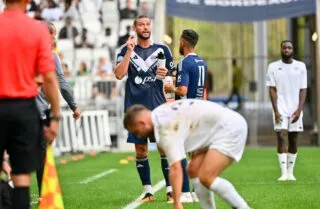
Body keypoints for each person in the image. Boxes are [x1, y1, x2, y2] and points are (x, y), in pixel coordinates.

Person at [114, 15, 192, 203]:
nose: (145, 27)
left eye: (148, 24)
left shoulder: (162, 49)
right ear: (135, 28)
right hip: (135, 108)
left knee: (164, 148)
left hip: (158, 107)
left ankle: (170, 189)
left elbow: (172, 77)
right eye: (141, 24)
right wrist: (128, 53)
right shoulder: (125, 50)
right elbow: (118, 74)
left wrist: (168, 75)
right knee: (141, 150)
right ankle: (148, 191)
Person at [124, 99, 251, 209]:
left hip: (229, 128)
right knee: (193, 169)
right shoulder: (158, 112)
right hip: (219, 127)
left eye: (136, 132)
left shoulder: (165, 128)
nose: (138, 136)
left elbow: (175, 168)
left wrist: (177, 204)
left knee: (206, 176)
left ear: (142, 123)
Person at [0, 0, 61, 208]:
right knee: (21, 176)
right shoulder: (37, 30)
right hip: (24, 108)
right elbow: (50, 78)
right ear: (27, 1)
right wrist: (56, 117)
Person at [35, 21, 81, 195]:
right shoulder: (50, 55)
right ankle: (43, 195)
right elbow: (60, 82)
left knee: (16, 158)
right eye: (52, 35)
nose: (54, 39)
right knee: (42, 157)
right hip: (38, 113)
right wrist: (74, 106)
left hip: (14, 109)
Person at [266, 40, 307, 181]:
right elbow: (271, 89)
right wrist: (276, 110)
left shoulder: (301, 66)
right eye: (284, 47)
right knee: (281, 136)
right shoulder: (273, 67)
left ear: (293, 49)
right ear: (281, 49)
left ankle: (290, 172)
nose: (287, 50)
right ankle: (283, 173)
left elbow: (303, 89)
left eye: (289, 47)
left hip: (295, 108)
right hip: (280, 107)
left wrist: (299, 109)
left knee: (293, 139)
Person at [165, 29, 207, 100]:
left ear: (182, 42)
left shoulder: (184, 62)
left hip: (186, 108)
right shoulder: (202, 63)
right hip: (198, 106)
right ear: (195, 44)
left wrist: (171, 88)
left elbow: (182, 91)